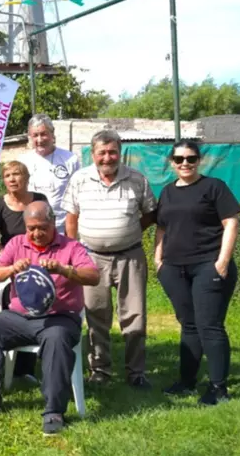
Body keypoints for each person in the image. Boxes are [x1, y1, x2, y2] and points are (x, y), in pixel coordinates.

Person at [0, 201, 99, 436]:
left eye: (42, 227)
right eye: (31, 228)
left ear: (53, 223)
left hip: (59, 318)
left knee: (57, 338)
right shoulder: (16, 243)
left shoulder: (70, 246)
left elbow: (93, 276)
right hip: (19, 317)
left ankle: (54, 411)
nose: (36, 233)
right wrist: (12, 268)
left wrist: (63, 269)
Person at [63, 130, 157, 388]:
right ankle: (100, 371)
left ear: (120, 152)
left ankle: (136, 372)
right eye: (102, 153)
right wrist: (74, 253)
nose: (107, 158)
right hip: (91, 258)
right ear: (93, 154)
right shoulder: (80, 179)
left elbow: (150, 214)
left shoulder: (137, 179)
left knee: (135, 315)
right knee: (96, 315)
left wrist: (129, 231)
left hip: (131, 257)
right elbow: (71, 218)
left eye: (112, 152)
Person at [155, 140, 240, 405]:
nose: (185, 163)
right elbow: (161, 228)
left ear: (199, 160)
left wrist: (222, 262)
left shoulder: (214, 187)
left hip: (208, 265)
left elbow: (231, 222)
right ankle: (187, 381)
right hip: (173, 268)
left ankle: (218, 388)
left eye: (190, 158)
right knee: (189, 324)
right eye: (179, 159)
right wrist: (158, 260)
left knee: (209, 325)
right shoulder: (167, 192)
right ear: (172, 162)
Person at [0, 160, 48, 379]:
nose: (12, 179)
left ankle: (25, 368)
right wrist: (6, 258)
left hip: (36, 261)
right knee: (8, 310)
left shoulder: (39, 200)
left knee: (33, 309)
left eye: (17, 174)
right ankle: (3, 364)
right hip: (8, 262)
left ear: (26, 177)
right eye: (7, 175)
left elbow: (47, 229)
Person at [17, 115, 80, 234]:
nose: (40, 140)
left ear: (52, 134)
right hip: (34, 228)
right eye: (35, 135)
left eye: (43, 134)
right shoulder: (23, 161)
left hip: (62, 227)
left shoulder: (70, 159)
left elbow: (77, 195)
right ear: (30, 137)